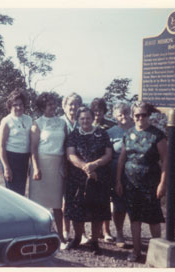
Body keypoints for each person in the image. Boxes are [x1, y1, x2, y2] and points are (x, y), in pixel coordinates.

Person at [115, 101, 167, 262]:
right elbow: (122, 159)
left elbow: (166, 161)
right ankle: (136, 252)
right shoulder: (128, 133)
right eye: (137, 115)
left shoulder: (157, 135)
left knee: (153, 219)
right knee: (134, 218)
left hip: (151, 182)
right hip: (130, 183)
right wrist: (118, 181)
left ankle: (157, 254)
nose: (140, 118)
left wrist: (162, 184)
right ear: (133, 116)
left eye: (143, 114)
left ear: (148, 115)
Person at [65, 107, 112, 255]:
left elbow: (108, 154)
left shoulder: (102, 133)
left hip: (99, 177)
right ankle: (77, 238)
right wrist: (86, 168)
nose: (85, 121)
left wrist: (94, 165)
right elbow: (70, 155)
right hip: (77, 178)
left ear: (93, 118)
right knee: (77, 209)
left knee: (97, 209)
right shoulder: (73, 135)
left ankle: (94, 241)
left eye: (88, 118)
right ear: (78, 120)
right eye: (82, 118)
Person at [29, 92, 67, 244]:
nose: (52, 106)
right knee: (38, 202)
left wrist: (64, 165)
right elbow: (33, 148)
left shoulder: (62, 123)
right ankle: (38, 233)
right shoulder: (37, 123)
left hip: (57, 165)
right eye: (48, 104)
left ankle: (61, 235)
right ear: (42, 107)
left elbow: (65, 145)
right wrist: (36, 168)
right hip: (41, 164)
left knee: (57, 203)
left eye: (53, 103)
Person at [60, 93, 91, 245]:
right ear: (64, 106)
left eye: (76, 104)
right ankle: (65, 231)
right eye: (70, 104)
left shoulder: (82, 122)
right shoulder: (58, 122)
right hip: (61, 164)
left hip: (78, 166)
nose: (73, 107)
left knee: (80, 199)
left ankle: (82, 232)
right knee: (65, 199)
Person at [106, 102, 134, 248]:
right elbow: (108, 155)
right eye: (119, 114)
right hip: (117, 173)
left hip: (135, 173)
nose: (123, 117)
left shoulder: (138, 129)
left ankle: (136, 235)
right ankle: (119, 233)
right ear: (115, 117)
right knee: (119, 205)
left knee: (135, 205)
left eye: (125, 113)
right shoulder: (111, 132)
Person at [90, 97, 116, 243]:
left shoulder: (111, 126)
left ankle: (106, 230)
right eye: (95, 111)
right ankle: (96, 231)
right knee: (93, 200)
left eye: (100, 111)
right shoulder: (86, 124)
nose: (97, 114)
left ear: (104, 111)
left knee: (106, 200)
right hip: (91, 167)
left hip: (106, 166)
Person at [0, 89, 32, 196]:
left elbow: (31, 143)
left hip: (24, 159)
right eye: (15, 105)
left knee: (21, 192)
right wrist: (6, 168)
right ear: (10, 106)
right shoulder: (6, 121)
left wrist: (31, 163)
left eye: (21, 104)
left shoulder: (29, 119)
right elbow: (0, 146)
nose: (18, 107)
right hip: (11, 159)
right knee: (12, 193)